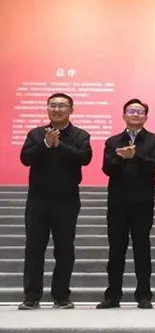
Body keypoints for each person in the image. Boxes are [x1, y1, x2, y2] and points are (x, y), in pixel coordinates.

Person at [18, 93, 92, 310]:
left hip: (66, 200)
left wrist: (59, 145)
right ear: (47, 108)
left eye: (62, 105)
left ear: (71, 109)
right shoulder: (36, 134)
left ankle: (61, 296)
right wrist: (45, 144)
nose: (57, 109)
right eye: (53, 105)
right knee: (34, 248)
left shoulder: (80, 135)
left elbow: (84, 158)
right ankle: (32, 296)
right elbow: (25, 159)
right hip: (38, 199)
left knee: (65, 249)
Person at [96, 99, 155, 309]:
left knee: (142, 249)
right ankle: (113, 295)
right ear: (124, 115)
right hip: (118, 203)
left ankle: (144, 295)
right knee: (116, 249)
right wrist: (122, 158)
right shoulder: (113, 141)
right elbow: (107, 169)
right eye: (131, 111)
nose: (135, 114)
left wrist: (136, 156)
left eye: (139, 111)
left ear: (146, 116)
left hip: (143, 203)